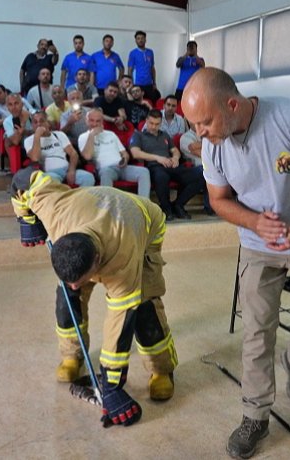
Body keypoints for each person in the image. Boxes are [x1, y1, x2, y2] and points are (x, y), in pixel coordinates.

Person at [181, 67, 290, 459]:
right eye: (195, 125)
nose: (200, 133)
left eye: (205, 122)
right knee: (257, 329)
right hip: (258, 244)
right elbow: (219, 200)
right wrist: (255, 222)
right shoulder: (214, 145)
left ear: (232, 104)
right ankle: (255, 415)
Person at [10, 169, 178, 427]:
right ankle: (71, 355)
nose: (75, 284)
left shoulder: (123, 256)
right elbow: (25, 180)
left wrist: (111, 384)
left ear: (97, 263)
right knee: (67, 297)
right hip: (84, 208)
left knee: (143, 305)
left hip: (141, 221)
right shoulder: (56, 213)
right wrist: (26, 220)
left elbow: (119, 322)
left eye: (79, 279)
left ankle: (161, 369)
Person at [130, 109, 203, 221]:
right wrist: (158, 158)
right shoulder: (138, 135)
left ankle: (178, 204)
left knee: (201, 174)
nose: (154, 127)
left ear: (161, 123)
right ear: (146, 121)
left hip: (171, 165)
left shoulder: (165, 135)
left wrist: (175, 158)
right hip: (154, 167)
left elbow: (175, 151)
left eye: (157, 124)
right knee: (161, 176)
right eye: (151, 123)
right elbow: (135, 153)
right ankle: (166, 208)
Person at [79, 109, 150, 197]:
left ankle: (144, 204)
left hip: (121, 167)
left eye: (98, 121)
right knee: (105, 173)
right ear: (86, 121)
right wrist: (92, 135)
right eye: (91, 120)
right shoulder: (83, 137)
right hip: (105, 169)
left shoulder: (111, 134)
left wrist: (125, 159)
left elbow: (124, 153)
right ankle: (107, 206)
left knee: (144, 171)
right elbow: (87, 156)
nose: (95, 124)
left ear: (102, 122)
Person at [24, 110, 94, 187]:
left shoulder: (59, 135)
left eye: (42, 121)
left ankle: (81, 198)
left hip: (66, 169)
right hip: (50, 173)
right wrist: (37, 136)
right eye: (35, 122)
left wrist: (71, 170)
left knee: (89, 178)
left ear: (47, 122)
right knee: (49, 182)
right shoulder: (29, 140)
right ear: (32, 125)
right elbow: (35, 157)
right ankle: (67, 198)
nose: (39, 124)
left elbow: (73, 154)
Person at [178, 127, 213, 215]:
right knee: (207, 171)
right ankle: (209, 206)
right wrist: (210, 144)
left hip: (211, 165)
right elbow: (199, 153)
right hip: (193, 168)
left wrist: (199, 145)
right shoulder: (185, 137)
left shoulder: (209, 134)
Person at [127, 31, 158, 103]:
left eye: (142, 38)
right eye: (138, 38)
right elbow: (130, 70)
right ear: (136, 41)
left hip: (149, 84)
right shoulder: (133, 53)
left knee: (151, 103)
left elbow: (152, 68)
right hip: (137, 84)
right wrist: (131, 84)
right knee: (139, 104)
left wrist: (154, 83)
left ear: (145, 40)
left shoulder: (150, 52)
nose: (140, 40)